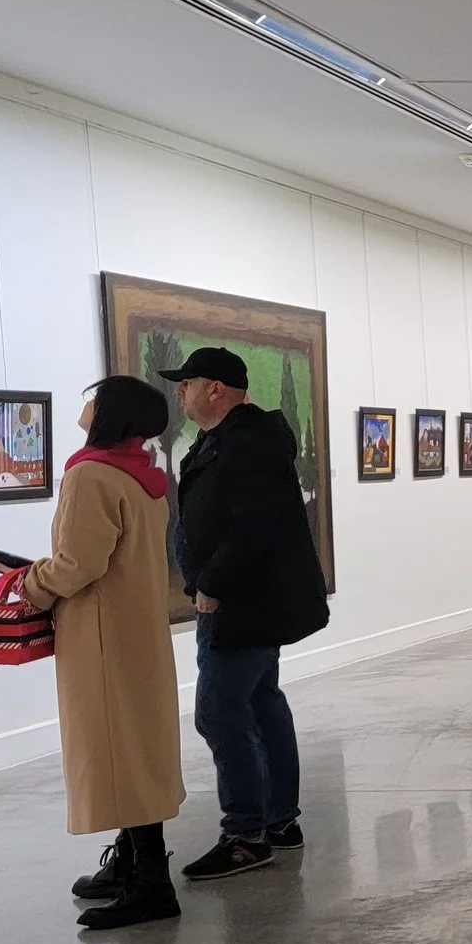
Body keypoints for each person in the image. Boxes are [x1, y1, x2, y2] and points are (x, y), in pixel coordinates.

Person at [22, 376, 188, 930]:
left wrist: (28, 584)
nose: (84, 406)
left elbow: (79, 565)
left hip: (100, 633)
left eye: (92, 398)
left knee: (117, 750)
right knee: (137, 746)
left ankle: (150, 883)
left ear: (110, 412)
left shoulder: (90, 475)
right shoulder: (146, 478)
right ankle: (130, 864)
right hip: (138, 627)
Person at [162, 345, 331, 883]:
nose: (179, 392)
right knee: (260, 703)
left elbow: (253, 525)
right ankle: (279, 822)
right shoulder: (233, 440)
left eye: (186, 384)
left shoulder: (247, 444)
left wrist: (211, 583)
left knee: (218, 711)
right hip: (249, 600)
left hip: (239, 603)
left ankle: (245, 834)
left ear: (216, 390)